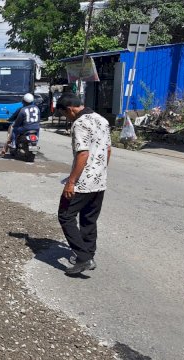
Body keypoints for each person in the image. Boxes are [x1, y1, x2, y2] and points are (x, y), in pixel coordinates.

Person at [55, 93, 111, 275]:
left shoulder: (79, 123)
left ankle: (84, 258)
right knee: (89, 218)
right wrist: (100, 171)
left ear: (70, 109)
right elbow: (108, 149)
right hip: (100, 180)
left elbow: (83, 154)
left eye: (65, 115)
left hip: (83, 182)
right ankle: (88, 254)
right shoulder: (101, 119)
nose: (66, 118)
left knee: (65, 215)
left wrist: (71, 182)